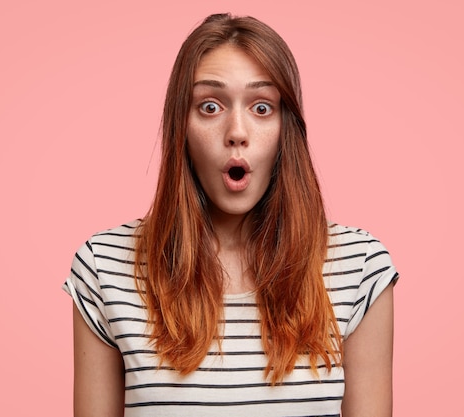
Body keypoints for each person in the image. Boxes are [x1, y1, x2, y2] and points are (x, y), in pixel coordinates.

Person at [64, 13, 398, 417]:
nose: (236, 131)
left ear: (284, 128)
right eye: (209, 106)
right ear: (180, 127)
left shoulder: (359, 267)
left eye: (261, 107)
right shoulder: (105, 267)